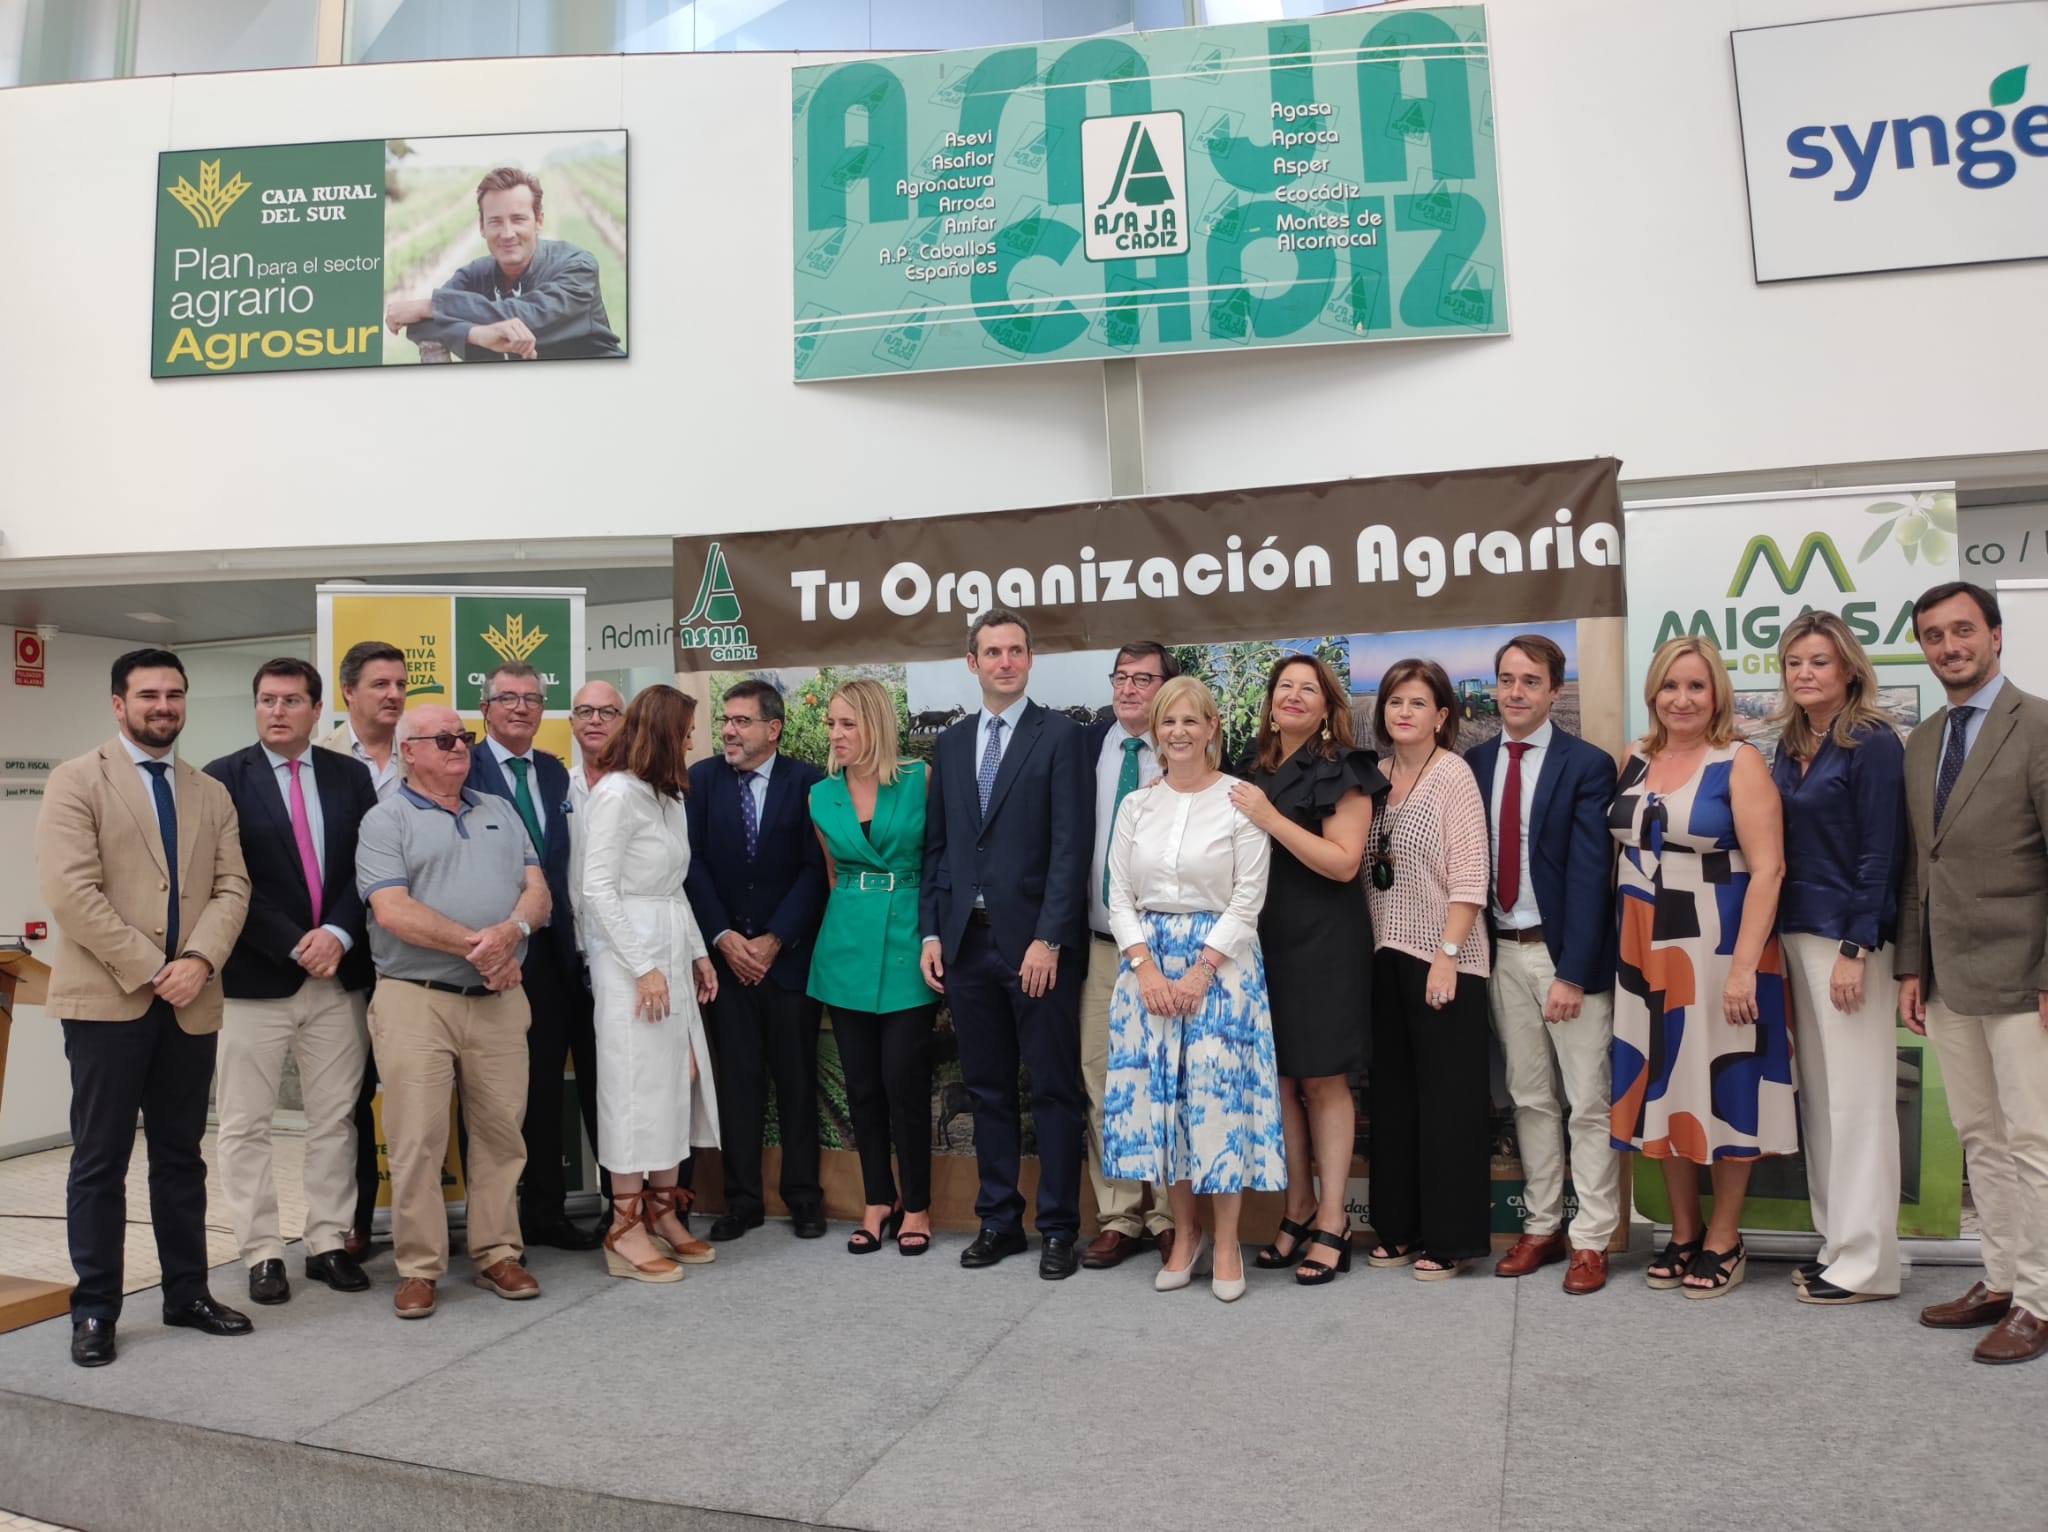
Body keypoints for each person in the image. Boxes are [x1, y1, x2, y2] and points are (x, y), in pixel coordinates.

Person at [37, 648, 253, 1367]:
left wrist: (197, 963)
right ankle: (95, 1308)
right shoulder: (76, 782)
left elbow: (233, 888)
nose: (164, 706)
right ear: (118, 703)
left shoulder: (207, 790)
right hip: (108, 1001)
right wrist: (156, 968)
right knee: (99, 1161)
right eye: (149, 694)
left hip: (190, 1003)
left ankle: (187, 1293)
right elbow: (72, 894)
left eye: (175, 694)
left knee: (179, 1157)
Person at [1610, 636, 1792, 1298]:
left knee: (1726, 1084)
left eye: (1696, 686)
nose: (1681, 699)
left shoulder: (1738, 762)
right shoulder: (1634, 757)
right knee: (1665, 1083)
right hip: (1644, 952)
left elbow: (1769, 868)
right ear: (1653, 692)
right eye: (1670, 686)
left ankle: (1725, 1236)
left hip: (1719, 947)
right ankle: (1684, 1231)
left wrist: (1745, 967)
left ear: (1715, 694)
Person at [356, 705, 551, 1318]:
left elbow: (537, 891)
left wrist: (514, 931)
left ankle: (498, 1253)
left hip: (498, 1000)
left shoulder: (497, 808)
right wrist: (487, 949)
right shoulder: (384, 820)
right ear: (408, 750)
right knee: (416, 1139)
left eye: (463, 737)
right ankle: (418, 1267)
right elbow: (392, 911)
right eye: (443, 739)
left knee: (500, 1133)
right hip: (417, 999)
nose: (458, 746)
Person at [1897, 582, 2048, 1364]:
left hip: (2024, 975)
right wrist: (1911, 968)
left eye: (1962, 631)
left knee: (2034, 1141)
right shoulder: (1923, 741)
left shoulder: (2041, 725)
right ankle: (1997, 1279)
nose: (1949, 646)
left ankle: (2040, 1298)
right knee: (1979, 1137)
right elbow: (1922, 869)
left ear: (1994, 634)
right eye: (1933, 635)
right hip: (1949, 974)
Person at [203, 658, 381, 1306]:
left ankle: (328, 1242)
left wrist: (335, 933)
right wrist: (291, 942)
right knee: (245, 1123)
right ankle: (261, 1252)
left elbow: (369, 867)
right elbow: (224, 879)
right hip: (256, 979)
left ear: (315, 709)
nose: (276, 710)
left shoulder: (351, 776)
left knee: (336, 1120)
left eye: (290, 700)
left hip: (339, 978)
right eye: (266, 700)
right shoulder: (221, 780)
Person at [921, 608, 1091, 1279]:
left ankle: (1056, 1228)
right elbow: (939, 850)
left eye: (1016, 650)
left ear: (1030, 660)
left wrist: (1049, 939)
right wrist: (933, 929)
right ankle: (999, 1220)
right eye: (992, 651)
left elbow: (1070, 849)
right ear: (972, 663)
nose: (1005, 662)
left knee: (1052, 1090)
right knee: (987, 1089)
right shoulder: (954, 744)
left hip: (1036, 950)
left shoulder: (1062, 737)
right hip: (967, 946)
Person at [1104, 676, 1280, 1302]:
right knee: (1167, 1108)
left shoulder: (1241, 799)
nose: (1178, 732)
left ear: (1212, 729)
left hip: (1223, 973)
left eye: (1190, 720)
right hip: (1146, 970)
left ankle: (1229, 1242)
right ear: (1155, 732)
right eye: (1166, 722)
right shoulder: (1136, 806)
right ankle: (1186, 1235)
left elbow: (1248, 896)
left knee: (1216, 1107)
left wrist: (1202, 970)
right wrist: (1146, 969)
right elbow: (1118, 893)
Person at [1466, 636, 1621, 1295]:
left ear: (1556, 691)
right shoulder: (1472, 765)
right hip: (1501, 952)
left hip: (1565, 958)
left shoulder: (1586, 765)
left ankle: (1591, 1240)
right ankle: (1541, 1228)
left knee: (1587, 1101)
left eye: (1531, 681)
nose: (1516, 692)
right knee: (1529, 1098)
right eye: (1506, 679)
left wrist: (1573, 972)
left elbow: (1591, 877)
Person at [1228, 653, 1383, 1286]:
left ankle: (1331, 1221)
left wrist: (1270, 820)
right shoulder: (1246, 771)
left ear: (1326, 708)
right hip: (1260, 944)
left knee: (1322, 1081)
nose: (1293, 696)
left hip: (1323, 945)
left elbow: (1345, 862)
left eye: (1307, 689)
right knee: (1283, 1081)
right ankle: (1293, 1209)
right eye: (1283, 687)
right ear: (1270, 702)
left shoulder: (1342, 769)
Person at [1769, 612, 1907, 1307]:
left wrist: (1856, 946)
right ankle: (1839, 1248)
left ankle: (1870, 1264)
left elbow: (1881, 853)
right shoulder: (1789, 745)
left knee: (1860, 1103)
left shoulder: (1872, 743)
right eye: (1795, 662)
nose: (1805, 674)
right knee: (1822, 1104)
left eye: (1819, 662)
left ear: (1848, 669)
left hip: (1846, 943)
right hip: (1795, 937)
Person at [579, 686, 722, 1283]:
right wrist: (643, 965)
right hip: (629, 961)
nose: (692, 741)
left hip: (667, 948)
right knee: (633, 1089)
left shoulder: (667, 797)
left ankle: (664, 1211)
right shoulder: (614, 795)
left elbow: (673, 887)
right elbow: (597, 890)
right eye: (686, 731)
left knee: (676, 1079)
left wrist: (697, 954)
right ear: (663, 732)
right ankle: (624, 1227)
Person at [682, 678, 829, 1241]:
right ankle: (742, 1201)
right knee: (737, 1085)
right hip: (724, 966)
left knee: (796, 1082)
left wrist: (774, 940)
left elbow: (816, 871)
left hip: (786, 962)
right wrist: (723, 938)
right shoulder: (700, 782)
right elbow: (691, 865)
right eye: (726, 720)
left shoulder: (809, 783)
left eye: (742, 721)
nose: (728, 731)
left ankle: (804, 1198)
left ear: (774, 728)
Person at [466, 661, 604, 1251]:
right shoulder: (462, 767)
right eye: (508, 699)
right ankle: (535, 1212)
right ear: (487, 709)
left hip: (568, 951)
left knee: (585, 1078)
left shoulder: (553, 772)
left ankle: (604, 1208)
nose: (521, 708)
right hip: (504, 951)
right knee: (530, 1090)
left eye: (532, 698)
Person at [1362, 659, 1493, 1280]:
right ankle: (1400, 1227)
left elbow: (1471, 878)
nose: (1403, 713)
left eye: (1417, 703)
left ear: (1442, 716)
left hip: (1446, 959)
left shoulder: (1454, 776)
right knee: (1393, 1100)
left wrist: (1447, 956)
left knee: (1449, 1104)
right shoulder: (1375, 776)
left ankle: (1450, 1238)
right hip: (1383, 956)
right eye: (1395, 702)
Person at [809, 680, 937, 1256]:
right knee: (861, 1086)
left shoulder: (920, 780)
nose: (835, 736)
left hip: (910, 940)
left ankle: (918, 1206)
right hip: (845, 947)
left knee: (904, 1083)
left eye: (847, 725)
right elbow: (833, 876)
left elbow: (940, 863)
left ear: (876, 725)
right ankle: (876, 1200)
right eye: (832, 725)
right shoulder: (819, 796)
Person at [1080, 642, 1179, 1270]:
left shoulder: (1185, 754)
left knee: (1165, 1083)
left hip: (1167, 953)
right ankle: (1118, 1216)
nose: (1129, 689)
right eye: (1121, 677)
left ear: (1168, 688)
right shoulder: (1083, 746)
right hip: (1097, 947)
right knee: (1101, 1083)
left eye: (1144, 679)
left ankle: (1173, 1215)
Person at [318, 637, 408, 1258]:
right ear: (348, 692)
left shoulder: (433, 750)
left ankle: (422, 1224)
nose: (395, 695)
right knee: (347, 1099)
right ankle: (352, 1224)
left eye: (402, 684)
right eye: (381, 684)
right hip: (345, 956)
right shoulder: (316, 758)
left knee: (417, 1093)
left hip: (417, 954)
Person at [384, 166, 625, 360]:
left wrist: (432, 305)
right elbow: (419, 326)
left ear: (539, 221)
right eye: (495, 221)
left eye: (518, 219)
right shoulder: (473, 275)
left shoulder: (577, 266)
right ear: (482, 227)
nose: (507, 233)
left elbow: (526, 313)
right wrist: (477, 335)